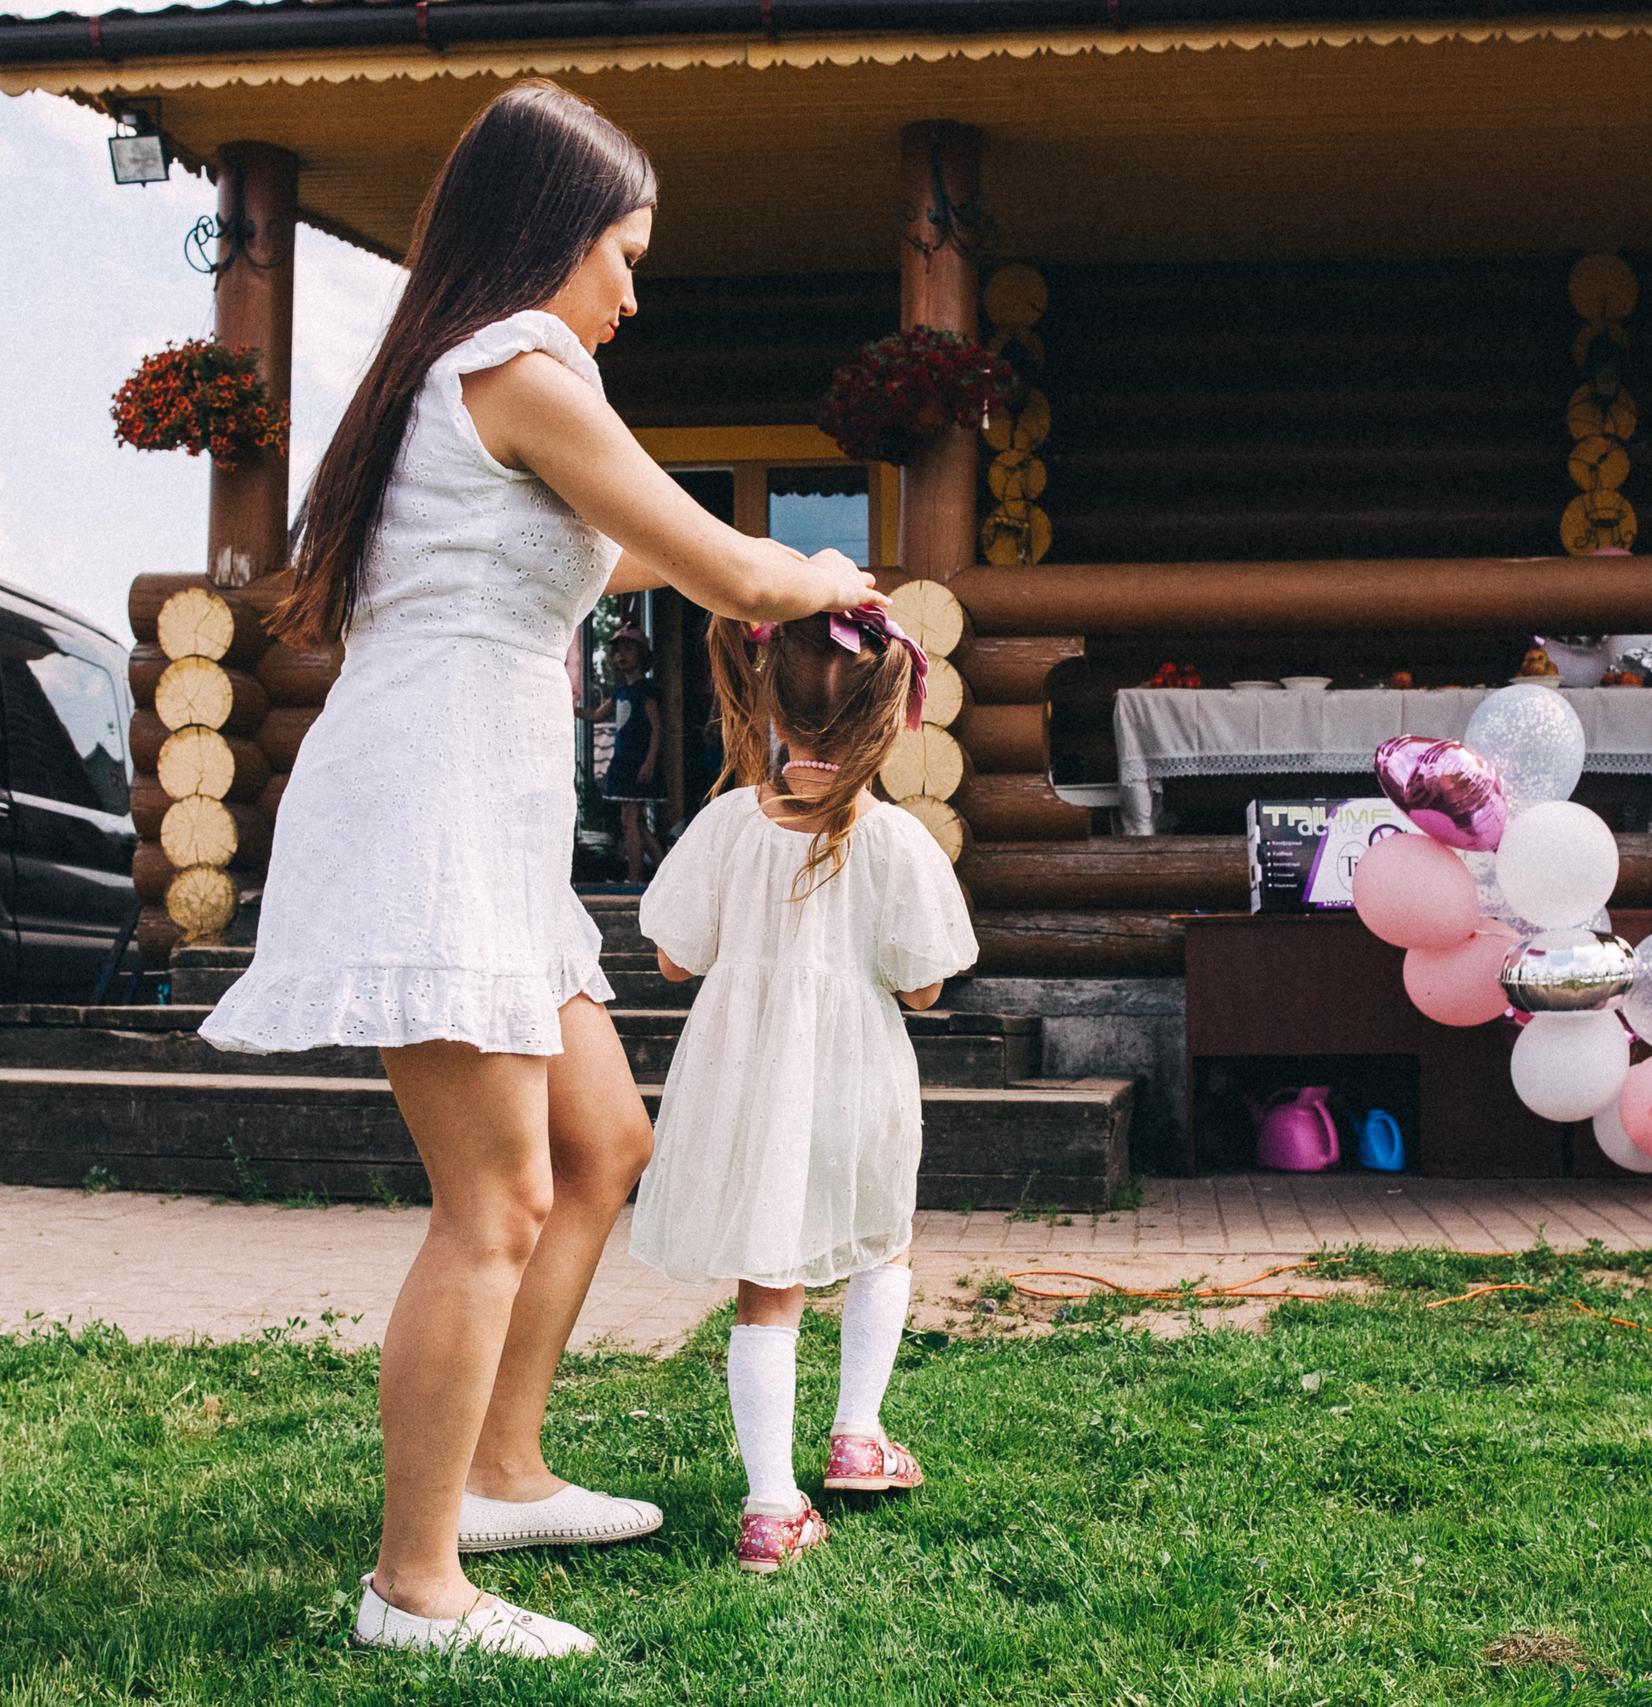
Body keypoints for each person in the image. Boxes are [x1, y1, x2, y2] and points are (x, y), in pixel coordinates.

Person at [198, 80, 883, 1659]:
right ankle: (412, 1582)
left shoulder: (470, 385)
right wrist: (825, 571)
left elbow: (623, 545)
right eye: (625, 252)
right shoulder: (519, 361)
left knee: (601, 1141)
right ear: (553, 239)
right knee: (495, 1195)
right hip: (432, 805)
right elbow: (720, 562)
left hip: (478, 810)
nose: (633, 290)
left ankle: (500, 1470)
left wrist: (764, 571)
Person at [629, 609, 978, 1573]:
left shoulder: (728, 824)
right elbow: (923, 983)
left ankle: (772, 1504)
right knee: (884, 1232)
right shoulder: (898, 840)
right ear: (887, 718)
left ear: (770, 701)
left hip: (747, 1081)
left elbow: (669, 958)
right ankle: (858, 1435)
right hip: (858, 1074)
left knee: (766, 1282)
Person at [579, 622, 663, 882]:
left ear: (642, 654)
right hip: (624, 761)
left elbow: (657, 728)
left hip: (638, 761)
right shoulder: (620, 691)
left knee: (630, 819)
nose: (621, 655)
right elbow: (594, 715)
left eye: (628, 649)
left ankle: (635, 876)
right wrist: (564, 704)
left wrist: (649, 763)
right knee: (634, 821)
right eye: (617, 651)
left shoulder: (646, 689)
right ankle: (664, 873)